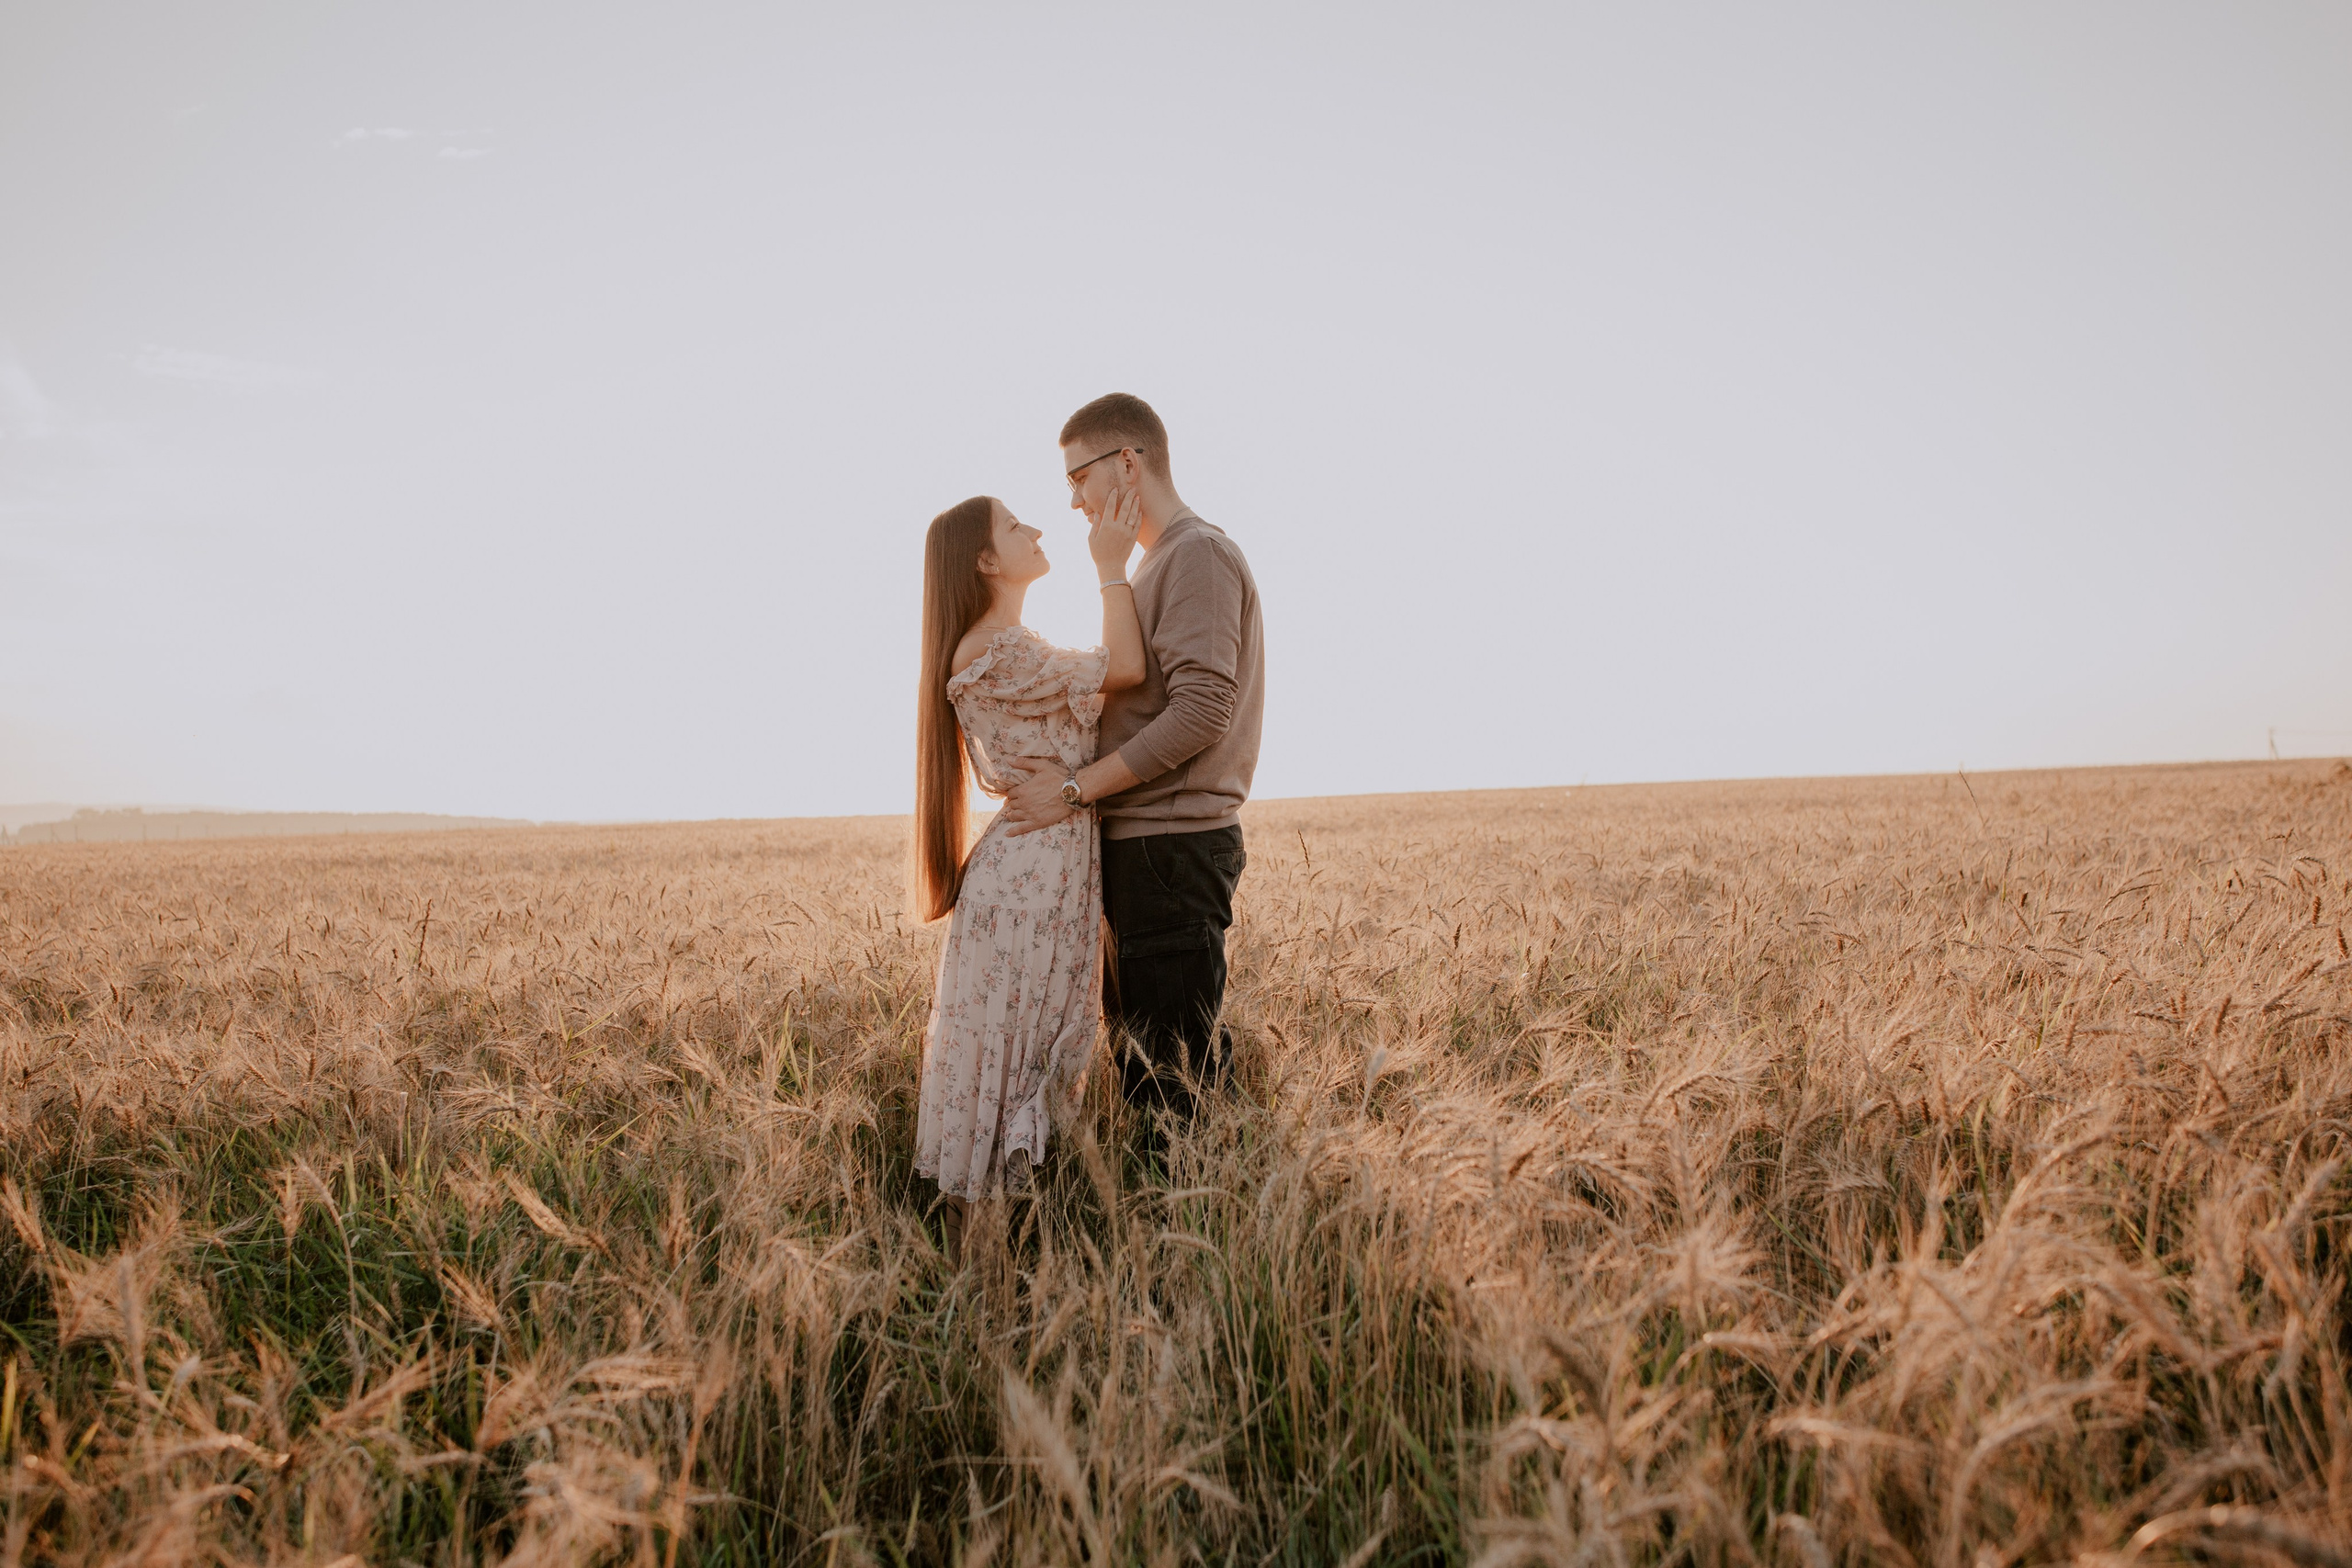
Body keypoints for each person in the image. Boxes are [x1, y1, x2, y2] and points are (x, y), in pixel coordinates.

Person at [1001, 393, 1266, 1147]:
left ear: (1127, 461)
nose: (1074, 500)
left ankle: (1194, 1242)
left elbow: (1201, 712)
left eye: (1078, 477)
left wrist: (1075, 790)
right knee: (1151, 1068)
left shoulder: (1197, 555)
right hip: (1148, 849)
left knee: (1171, 1089)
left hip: (1171, 850)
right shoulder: (1152, 566)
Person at [911, 489, 1145, 1255]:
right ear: (985, 561)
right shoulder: (998, 652)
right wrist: (1111, 565)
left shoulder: (1008, 645)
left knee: (1008, 1073)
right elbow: (1131, 667)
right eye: (1015, 526)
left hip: (1043, 875)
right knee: (1008, 1074)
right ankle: (984, 1301)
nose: (1036, 528)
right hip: (1029, 887)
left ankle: (989, 1296)